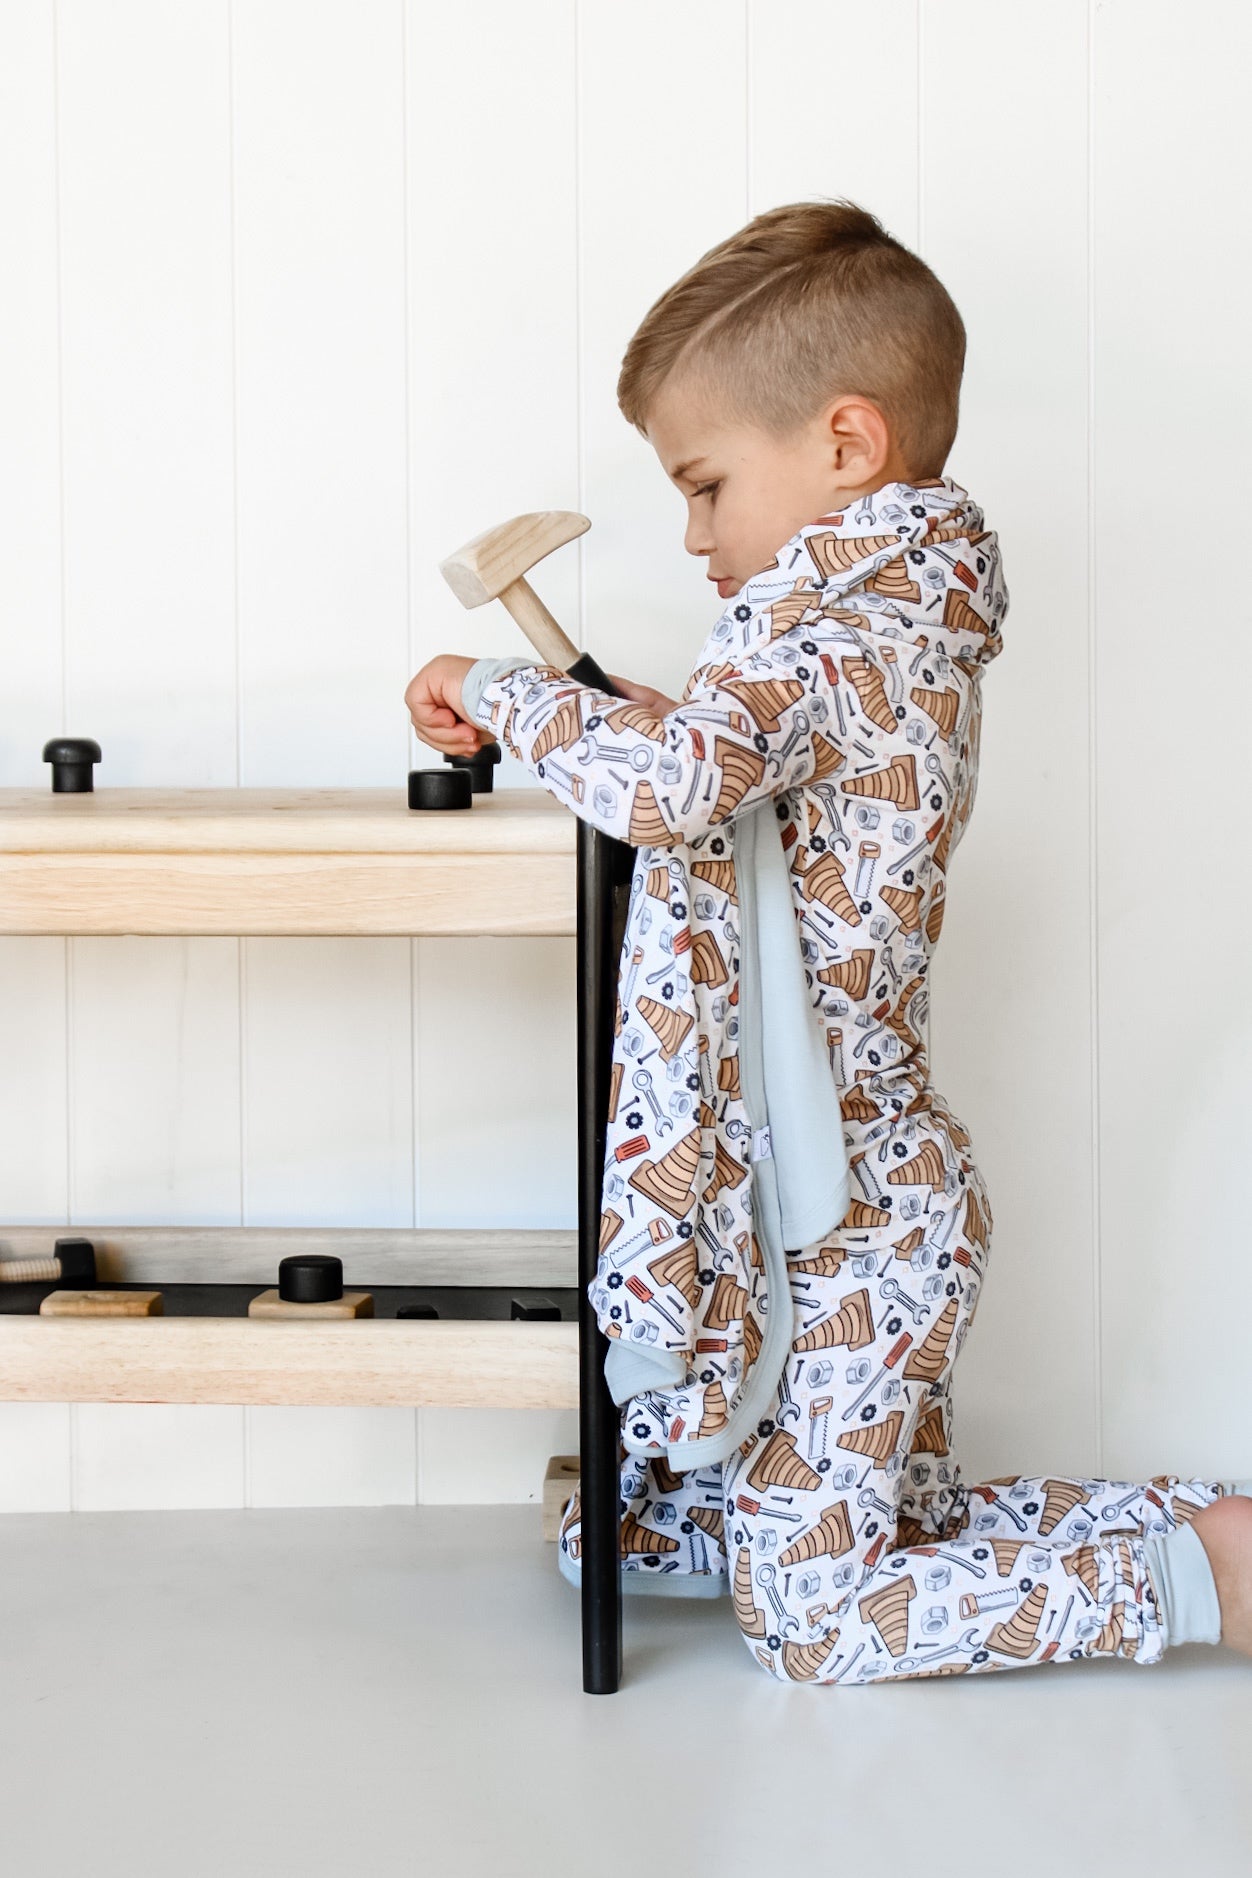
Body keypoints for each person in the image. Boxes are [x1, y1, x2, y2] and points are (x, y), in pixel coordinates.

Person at [405, 199, 1252, 1684]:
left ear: (848, 443)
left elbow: (680, 784)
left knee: (811, 1619)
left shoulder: (833, 638)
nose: (694, 534)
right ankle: (1202, 1525)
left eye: (707, 485)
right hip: (860, 1192)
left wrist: (503, 687)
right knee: (772, 1537)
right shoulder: (878, 627)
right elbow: (738, 778)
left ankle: (1199, 1580)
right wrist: (614, 712)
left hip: (849, 1215)